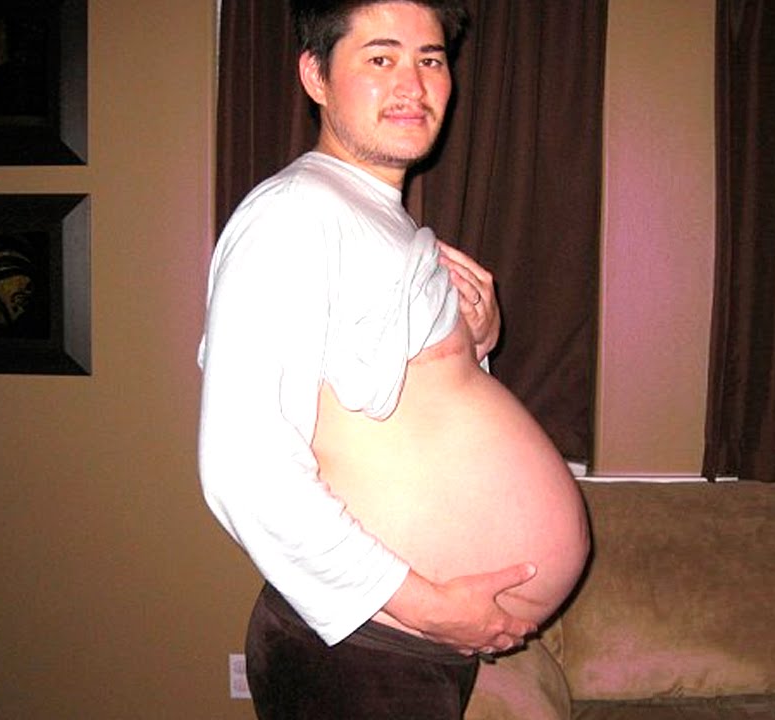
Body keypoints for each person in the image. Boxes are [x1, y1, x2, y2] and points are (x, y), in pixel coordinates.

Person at [197, 1, 590, 717]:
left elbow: (408, 411)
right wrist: (431, 606)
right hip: (364, 651)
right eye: (380, 58)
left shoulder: (377, 217)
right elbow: (244, 465)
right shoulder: (293, 213)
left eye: (430, 59)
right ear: (316, 76)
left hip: (402, 648)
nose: (413, 84)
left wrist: (475, 345)